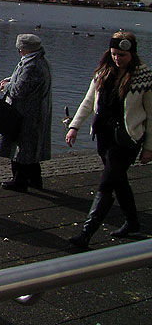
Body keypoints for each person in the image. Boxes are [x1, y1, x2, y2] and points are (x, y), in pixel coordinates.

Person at [65, 31, 152, 248]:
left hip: (127, 140)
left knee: (106, 185)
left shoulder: (144, 78)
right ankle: (132, 222)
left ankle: (85, 235)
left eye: (122, 55)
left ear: (132, 53)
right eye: (114, 53)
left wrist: (150, 147)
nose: (117, 58)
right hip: (104, 138)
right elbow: (88, 101)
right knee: (119, 181)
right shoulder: (103, 73)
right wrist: (74, 126)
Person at [0, 33, 52, 192]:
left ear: (23, 48)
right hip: (34, 112)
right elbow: (22, 80)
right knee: (31, 149)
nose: (19, 52)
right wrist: (10, 79)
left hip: (27, 114)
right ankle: (34, 181)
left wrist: (6, 86)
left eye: (19, 49)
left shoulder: (32, 65)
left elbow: (20, 89)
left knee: (21, 148)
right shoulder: (39, 61)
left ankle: (19, 182)